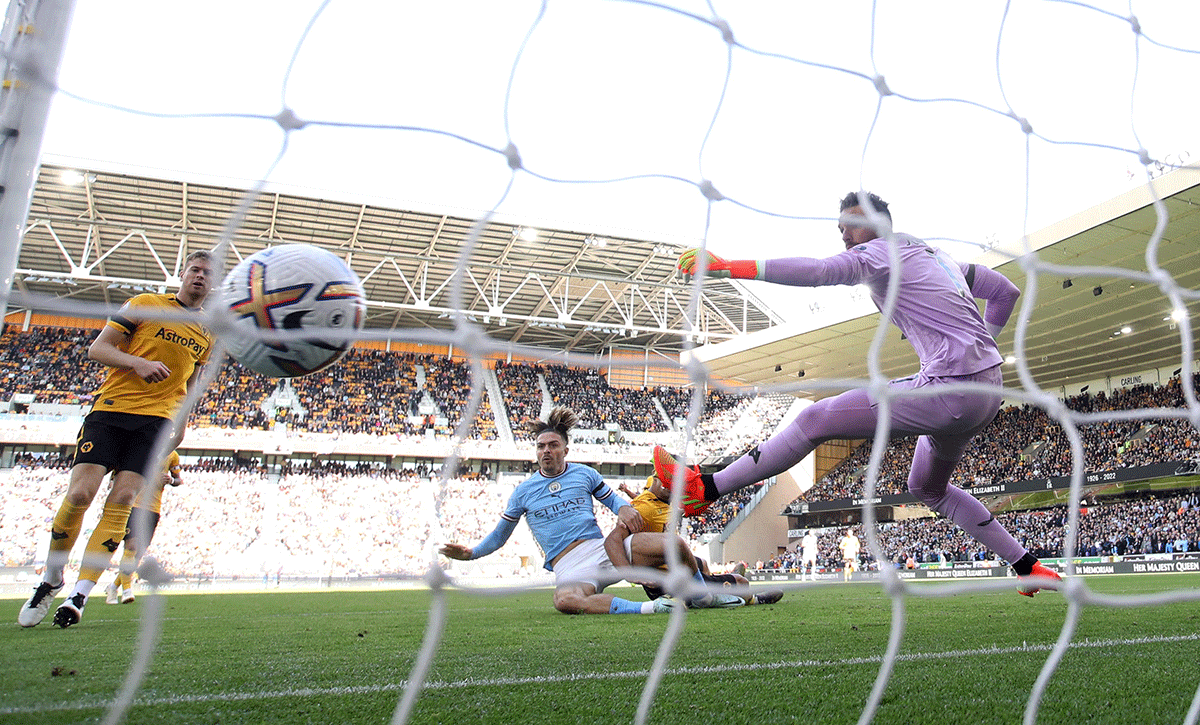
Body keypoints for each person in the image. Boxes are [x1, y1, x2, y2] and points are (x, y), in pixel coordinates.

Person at [656, 191, 1062, 597]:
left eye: (852, 224)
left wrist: (730, 268)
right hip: (986, 390)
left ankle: (706, 488)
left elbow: (818, 272)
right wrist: (981, 348)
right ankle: (1028, 566)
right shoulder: (938, 256)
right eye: (839, 227)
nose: (844, 235)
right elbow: (1005, 291)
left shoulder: (880, 252)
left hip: (950, 389)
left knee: (815, 419)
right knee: (929, 489)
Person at [18, 250, 215, 628]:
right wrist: (137, 363)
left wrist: (185, 423)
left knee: (123, 499)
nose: (200, 277)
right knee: (79, 495)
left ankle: (79, 595)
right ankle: (50, 579)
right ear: (183, 274)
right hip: (112, 409)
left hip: (156, 423)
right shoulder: (146, 305)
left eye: (208, 273)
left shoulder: (208, 332)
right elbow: (98, 348)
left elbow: (191, 386)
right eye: (195, 269)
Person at [439, 407, 742, 614]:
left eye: (553, 445)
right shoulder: (523, 492)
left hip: (601, 549)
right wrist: (472, 554)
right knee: (565, 601)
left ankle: (703, 597)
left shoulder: (585, 474)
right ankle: (653, 608)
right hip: (569, 566)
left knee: (675, 545)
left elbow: (615, 503)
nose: (546, 450)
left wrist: (623, 509)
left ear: (565, 449)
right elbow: (500, 535)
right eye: (541, 446)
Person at [611, 476, 783, 606]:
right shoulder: (644, 507)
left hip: (671, 570)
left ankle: (714, 586)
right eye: (667, 483)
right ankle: (754, 599)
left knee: (703, 563)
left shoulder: (662, 504)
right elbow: (617, 537)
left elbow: (672, 511)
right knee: (741, 582)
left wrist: (691, 511)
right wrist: (631, 574)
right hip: (668, 580)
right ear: (657, 484)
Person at [105, 449, 183, 605]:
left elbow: (178, 480)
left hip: (153, 509)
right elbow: (120, 468)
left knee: (138, 555)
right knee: (131, 547)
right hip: (135, 504)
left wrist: (170, 480)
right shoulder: (142, 445)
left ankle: (113, 586)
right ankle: (127, 590)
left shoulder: (172, 455)